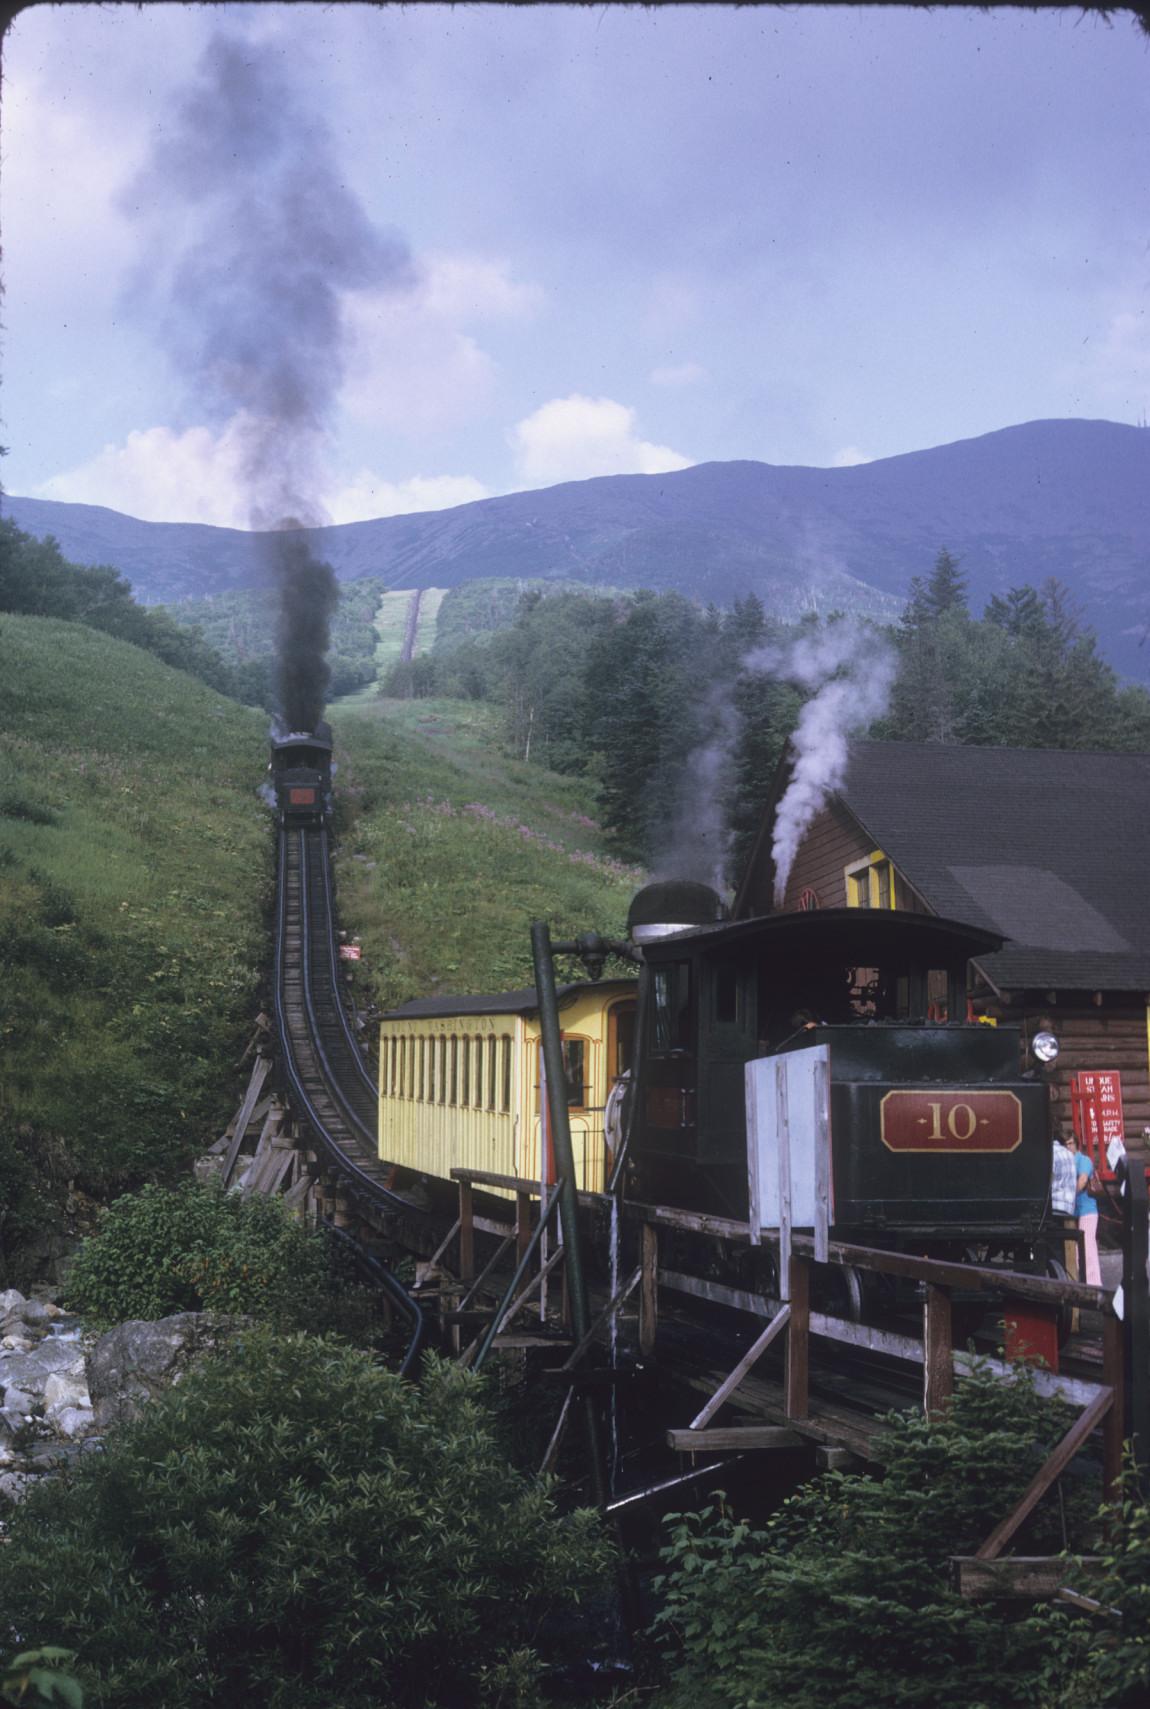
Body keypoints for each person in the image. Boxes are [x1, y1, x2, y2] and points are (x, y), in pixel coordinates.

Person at [1072, 1131, 1103, 1288]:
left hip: (1087, 1209)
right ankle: (1080, 1281)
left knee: (1087, 1245)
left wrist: (1069, 1195)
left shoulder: (1083, 1160)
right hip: (1073, 1211)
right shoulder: (1067, 1160)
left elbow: (1083, 1180)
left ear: (1077, 1145)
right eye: (1066, 1144)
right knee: (1076, 1247)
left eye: (1071, 1143)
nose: (1068, 1147)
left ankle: (1093, 1285)